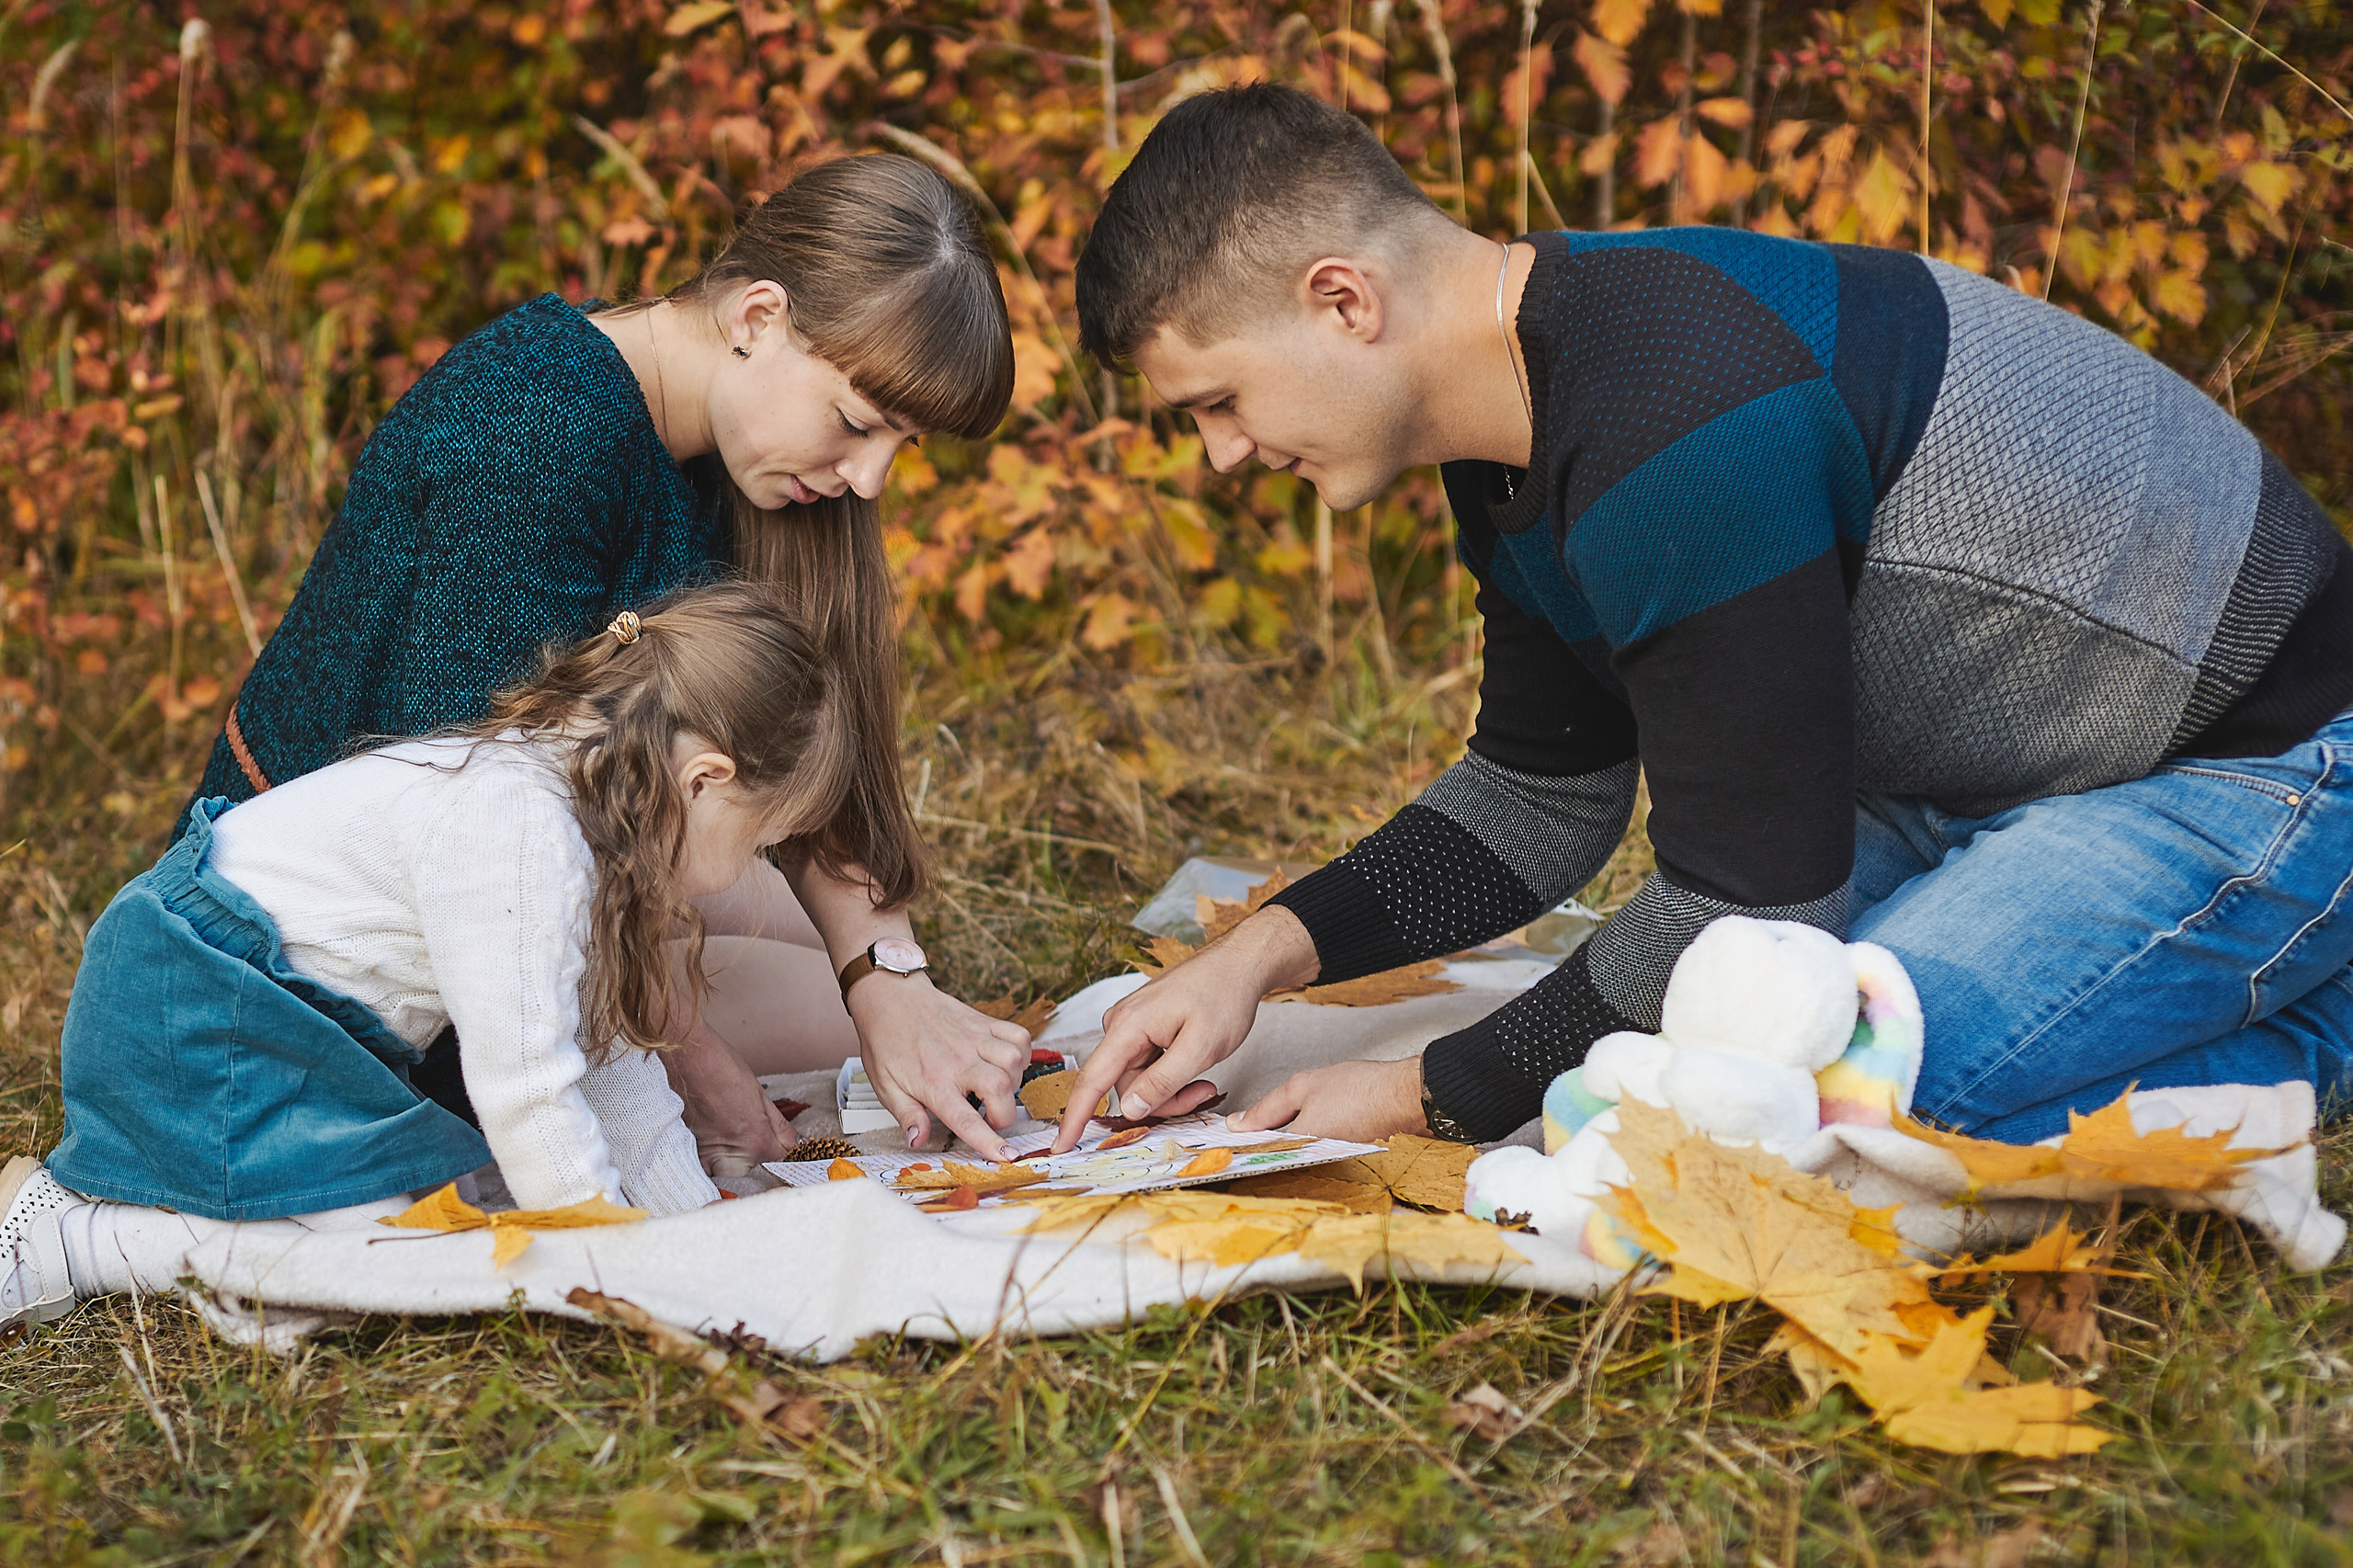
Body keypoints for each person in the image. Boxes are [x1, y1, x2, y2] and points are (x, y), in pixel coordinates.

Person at [1052, 83, 2353, 1156]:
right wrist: (1257, 956)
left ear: (1344, 301)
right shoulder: (1516, 414)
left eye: (1218, 401)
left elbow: (1751, 896)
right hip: (1980, 776)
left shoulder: (1676, 420)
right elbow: (1538, 795)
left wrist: (1427, 1094)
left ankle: (2326, 1022)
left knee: (1816, 1114)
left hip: (2261, 763)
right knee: (1708, 1060)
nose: (1222, 454)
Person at [180, 153, 1031, 1171]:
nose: (869, 477)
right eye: (856, 423)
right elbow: (484, 842)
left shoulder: (749, 452)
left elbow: (798, 753)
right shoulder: (530, 432)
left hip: (555, 852)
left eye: (902, 444)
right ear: (758, 316)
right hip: (329, 960)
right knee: (821, 1016)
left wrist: (888, 975)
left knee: (834, 964)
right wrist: (692, 1061)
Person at [0, 582, 917, 1332]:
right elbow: (529, 1088)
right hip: (196, 1006)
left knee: (438, 1217)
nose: (755, 863)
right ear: (704, 780)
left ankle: (212, 1213)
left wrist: (689, 1227)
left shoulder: (591, 822)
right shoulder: (520, 833)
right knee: (372, 1269)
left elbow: (611, 1066)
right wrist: (625, 1273)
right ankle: (76, 1238)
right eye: (763, 839)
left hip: (293, 1034)